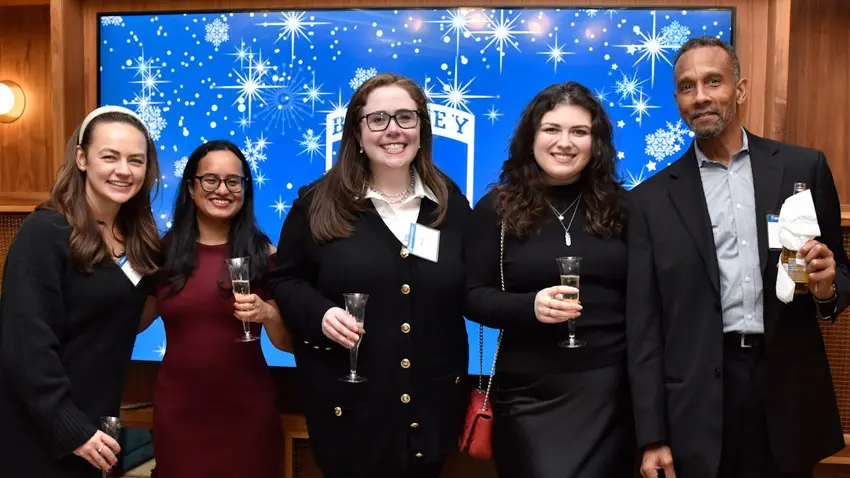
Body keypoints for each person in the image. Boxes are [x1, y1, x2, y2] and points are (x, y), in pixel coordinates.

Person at [629, 36, 849, 478]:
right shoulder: (649, 200)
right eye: (687, 87)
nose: (701, 96)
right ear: (677, 100)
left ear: (740, 89)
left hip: (785, 387)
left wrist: (827, 288)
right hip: (697, 398)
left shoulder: (802, 169)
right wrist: (652, 435)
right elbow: (644, 327)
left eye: (714, 81)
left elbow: (841, 272)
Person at [271, 72, 470, 478]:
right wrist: (320, 314)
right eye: (378, 119)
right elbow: (285, 281)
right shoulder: (316, 204)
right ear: (357, 133)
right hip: (350, 410)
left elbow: (471, 284)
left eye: (406, 117)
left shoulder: (450, 204)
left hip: (430, 410)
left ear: (421, 128)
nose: (393, 130)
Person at [465, 81, 635, 477]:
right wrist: (530, 307)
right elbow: (472, 297)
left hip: (609, 392)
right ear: (531, 138)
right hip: (527, 394)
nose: (565, 142)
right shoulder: (497, 208)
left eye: (579, 132)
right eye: (552, 129)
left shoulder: (625, 207)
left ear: (597, 143)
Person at [0, 106, 162, 477]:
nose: (124, 170)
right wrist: (71, 429)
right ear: (81, 158)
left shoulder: (139, 242)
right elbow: (26, 346)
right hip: (40, 430)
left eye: (135, 160)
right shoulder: (46, 233)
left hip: (97, 427)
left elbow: (126, 316)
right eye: (110, 156)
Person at [138, 140, 291, 477]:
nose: (222, 190)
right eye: (210, 180)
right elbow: (132, 324)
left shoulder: (266, 253)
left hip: (248, 416)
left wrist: (267, 312)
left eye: (233, 181)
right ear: (191, 188)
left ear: (244, 190)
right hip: (179, 416)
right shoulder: (161, 253)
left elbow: (287, 344)